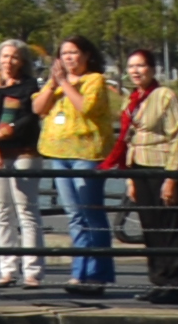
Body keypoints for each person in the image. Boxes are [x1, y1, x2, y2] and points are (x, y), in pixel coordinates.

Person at [31, 37, 120, 296]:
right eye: (64, 53)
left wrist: (65, 83)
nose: (69, 58)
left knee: (91, 213)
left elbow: (86, 107)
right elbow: (38, 108)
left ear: (87, 55)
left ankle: (97, 274)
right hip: (59, 154)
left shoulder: (95, 80)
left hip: (87, 154)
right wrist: (53, 84)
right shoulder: (56, 82)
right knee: (75, 215)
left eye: (74, 52)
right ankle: (78, 273)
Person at [118, 47, 178, 302]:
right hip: (138, 166)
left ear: (152, 69)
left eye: (141, 66)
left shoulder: (164, 96)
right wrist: (130, 177)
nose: (136, 71)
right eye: (131, 66)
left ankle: (177, 285)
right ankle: (158, 281)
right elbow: (129, 137)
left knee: (170, 227)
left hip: (162, 167)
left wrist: (172, 178)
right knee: (150, 228)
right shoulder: (132, 98)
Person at [0, 39, 42, 284]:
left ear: (22, 61)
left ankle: (32, 270)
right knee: (2, 211)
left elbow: (27, 118)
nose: (9, 61)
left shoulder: (29, 86)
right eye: (5, 56)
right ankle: (7, 269)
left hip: (24, 152)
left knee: (26, 211)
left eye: (14, 57)